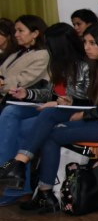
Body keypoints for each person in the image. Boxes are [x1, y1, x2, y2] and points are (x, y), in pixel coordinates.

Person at [0, 24, 98, 197]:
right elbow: (94, 100)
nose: (87, 47)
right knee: (45, 118)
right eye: (85, 42)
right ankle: (38, 185)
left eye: (93, 43)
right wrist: (70, 101)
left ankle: (34, 182)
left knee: (50, 133)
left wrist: (83, 114)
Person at [0, 24, 89, 192]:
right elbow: (50, 93)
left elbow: (85, 99)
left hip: (69, 112)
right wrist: (27, 94)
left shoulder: (83, 65)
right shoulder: (58, 64)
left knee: (20, 129)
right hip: (52, 109)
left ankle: (10, 175)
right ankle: (9, 171)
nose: (46, 47)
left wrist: (58, 103)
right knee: (11, 111)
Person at [0, 15, 49, 99]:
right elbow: (2, 70)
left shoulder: (42, 55)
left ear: (35, 33)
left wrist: (2, 84)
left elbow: (23, 81)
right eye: (15, 31)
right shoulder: (18, 51)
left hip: (22, 101)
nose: (16, 34)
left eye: (20, 31)